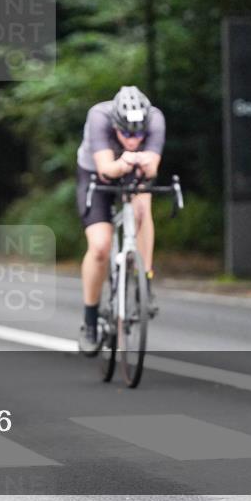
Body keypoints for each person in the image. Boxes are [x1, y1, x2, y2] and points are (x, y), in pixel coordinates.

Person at [75, 86, 165, 356]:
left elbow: (152, 167)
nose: (133, 139)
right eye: (126, 133)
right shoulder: (99, 117)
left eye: (139, 134)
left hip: (131, 171)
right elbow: (106, 169)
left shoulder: (156, 119)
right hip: (96, 173)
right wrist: (126, 160)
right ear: (115, 125)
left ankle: (145, 277)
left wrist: (143, 163)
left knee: (141, 208)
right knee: (101, 246)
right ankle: (90, 321)